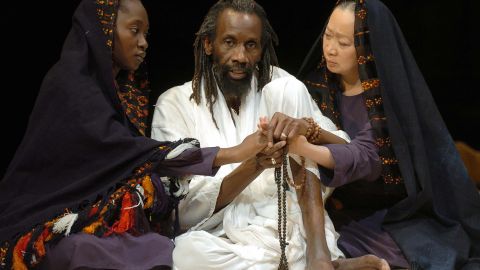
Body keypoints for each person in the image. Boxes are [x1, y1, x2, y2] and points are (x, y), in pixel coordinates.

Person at [0, 0, 270, 269]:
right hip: (48, 220)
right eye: (134, 30)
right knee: (87, 251)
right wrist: (235, 153)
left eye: (146, 34)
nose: (143, 43)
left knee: (159, 248)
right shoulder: (71, 85)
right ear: (104, 30)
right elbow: (130, 154)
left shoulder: (121, 93)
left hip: (92, 221)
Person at [152, 0, 391, 269]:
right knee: (186, 253)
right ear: (208, 44)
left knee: (288, 88)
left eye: (251, 45)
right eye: (230, 42)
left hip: (290, 217)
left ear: (261, 48)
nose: (241, 56)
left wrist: (307, 130)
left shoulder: (278, 82)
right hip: (223, 234)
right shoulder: (173, 104)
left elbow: (343, 147)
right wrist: (255, 163)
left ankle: (318, 253)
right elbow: (181, 210)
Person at [293, 0, 480, 269]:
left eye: (344, 43)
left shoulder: (387, 100)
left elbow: (365, 155)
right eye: (328, 35)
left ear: (368, 45)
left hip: (391, 215)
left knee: (426, 255)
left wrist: (302, 146)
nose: (330, 49)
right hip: (330, 212)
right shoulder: (314, 88)